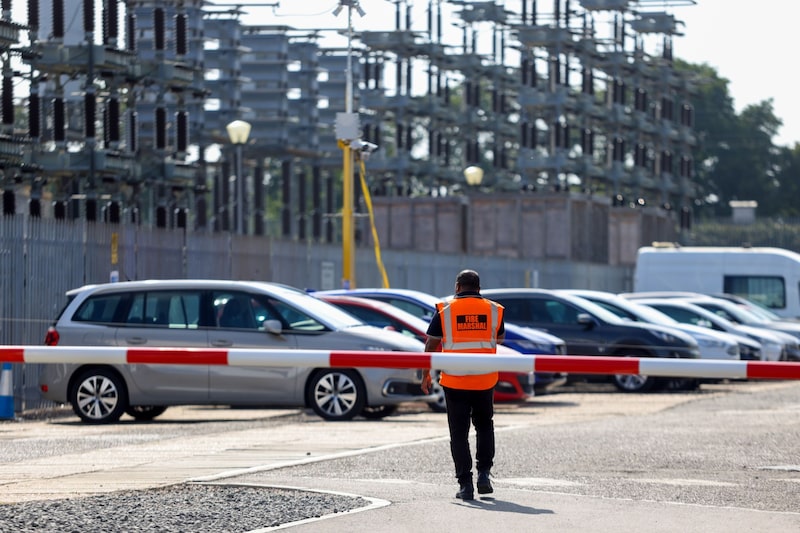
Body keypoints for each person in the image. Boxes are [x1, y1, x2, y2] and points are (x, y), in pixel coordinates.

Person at [421, 269, 505, 500]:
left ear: (457, 287)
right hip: (484, 379)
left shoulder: (445, 310)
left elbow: (431, 344)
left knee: (459, 434)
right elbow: (499, 338)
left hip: (454, 380)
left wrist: (425, 374)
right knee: (484, 427)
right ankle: (484, 475)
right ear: (479, 288)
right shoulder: (494, 310)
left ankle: (465, 485)